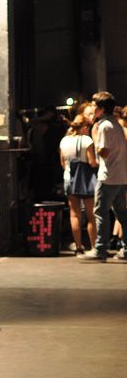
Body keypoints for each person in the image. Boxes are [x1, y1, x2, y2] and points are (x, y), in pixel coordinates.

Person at [80, 91, 127, 262]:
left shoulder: (104, 126)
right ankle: (125, 249)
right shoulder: (115, 125)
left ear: (100, 108)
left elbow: (104, 152)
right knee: (122, 213)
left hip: (108, 176)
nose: (92, 108)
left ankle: (100, 249)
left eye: (94, 105)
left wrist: (93, 136)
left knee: (100, 211)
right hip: (120, 175)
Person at [59, 114, 98, 255]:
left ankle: (78, 247)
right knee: (91, 215)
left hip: (69, 179)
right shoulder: (87, 140)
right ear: (84, 127)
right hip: (85, 180)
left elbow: (63, 163)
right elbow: (92, 162)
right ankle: (94, 247)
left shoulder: (64, 141)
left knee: (74, 214)